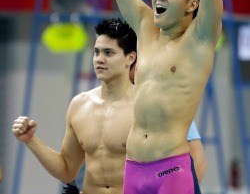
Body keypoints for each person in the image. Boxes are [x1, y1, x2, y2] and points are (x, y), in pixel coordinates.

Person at [104, 0, 223, 194]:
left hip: (171, 169)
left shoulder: (200, 39)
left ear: (192, 5)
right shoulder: (146, 28)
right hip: (132, 169)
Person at [12, 18, 206, 194]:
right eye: (96, 52)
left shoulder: (149, 106)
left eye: (109, 53)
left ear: (130, 58)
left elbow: (186, 164)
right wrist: (31, 140)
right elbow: (66, 170)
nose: (99, 59)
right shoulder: (79, 105)